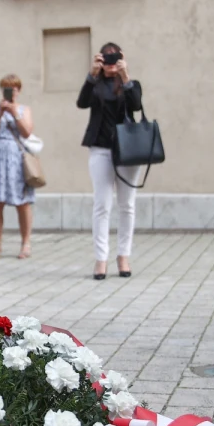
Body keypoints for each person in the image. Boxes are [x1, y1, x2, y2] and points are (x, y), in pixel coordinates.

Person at [77, 41, 143, 280]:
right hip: (100, 149)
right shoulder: (95, 84)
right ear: (100, 60)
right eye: (106, 58)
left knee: (127, 205)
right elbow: (81, 102)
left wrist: (125, 75)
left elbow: (136, 104)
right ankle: (101, 258)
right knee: (102, 205)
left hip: (128, 151)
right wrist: (91, 75)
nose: (110, 62)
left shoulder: (129, 84)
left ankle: (123, 256)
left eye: (115, 57)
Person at [0, 74, 35, 260]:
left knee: (22, 202)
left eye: (13, 88)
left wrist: (13, 113)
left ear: (18, 91)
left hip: (17, 157)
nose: (10, 91)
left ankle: (26, 243)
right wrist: (1, 115)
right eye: (6, 87)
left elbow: (27, 132)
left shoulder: (24, 110)